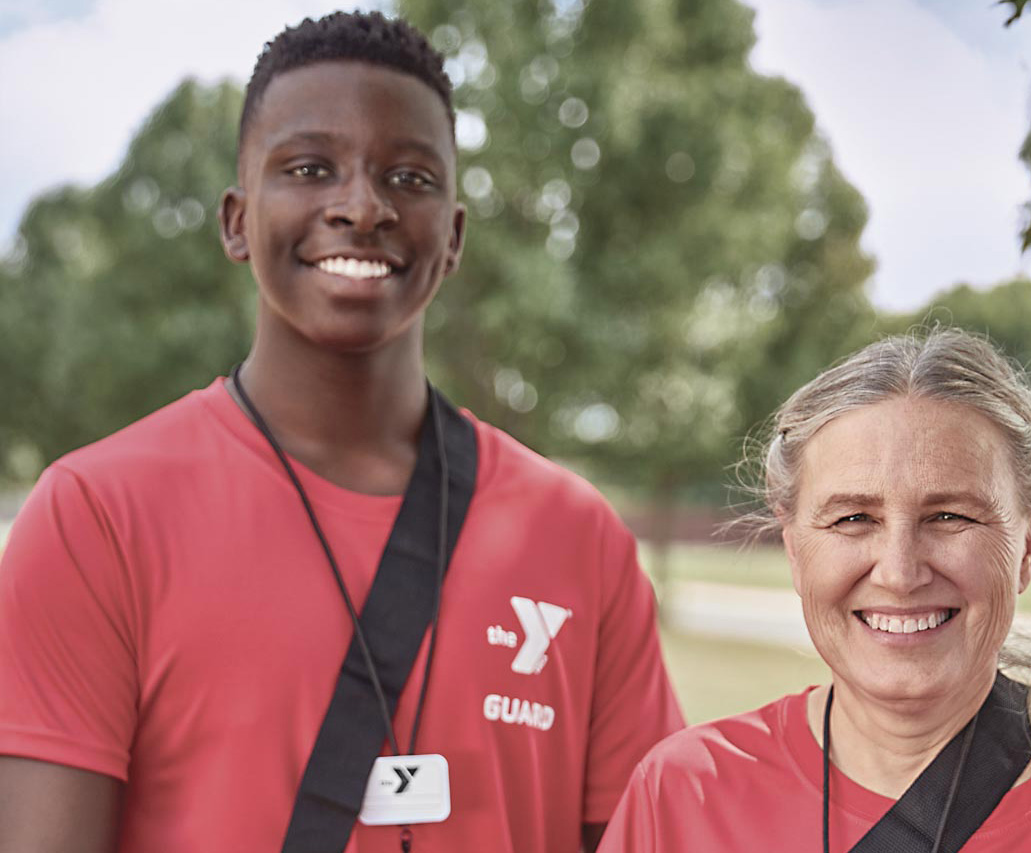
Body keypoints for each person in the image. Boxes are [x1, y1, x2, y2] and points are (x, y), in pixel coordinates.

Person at [0, 11, 683, 853]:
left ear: (456, 236)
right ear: (235, 221)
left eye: (410, 176)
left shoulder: (580, 539)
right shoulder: (95, 515)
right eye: (310, 167)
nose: (362, 206)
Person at [599, 329, 1031, 853]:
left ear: (1030, 543)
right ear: (795, 548)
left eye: (949, 516)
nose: (900, 572)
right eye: (854, 519)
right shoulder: (686, 799)